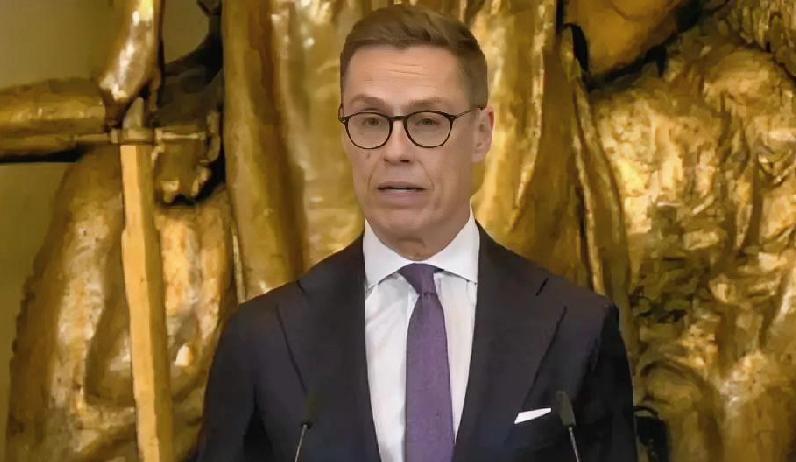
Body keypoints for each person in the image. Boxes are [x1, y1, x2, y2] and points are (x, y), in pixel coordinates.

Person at [196, 4, 637, 461]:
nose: (395, 151)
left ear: (481, 134)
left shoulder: (575, 328)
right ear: (345, 134)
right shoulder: (265, 339)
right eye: (371, 121)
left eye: (427, 121)